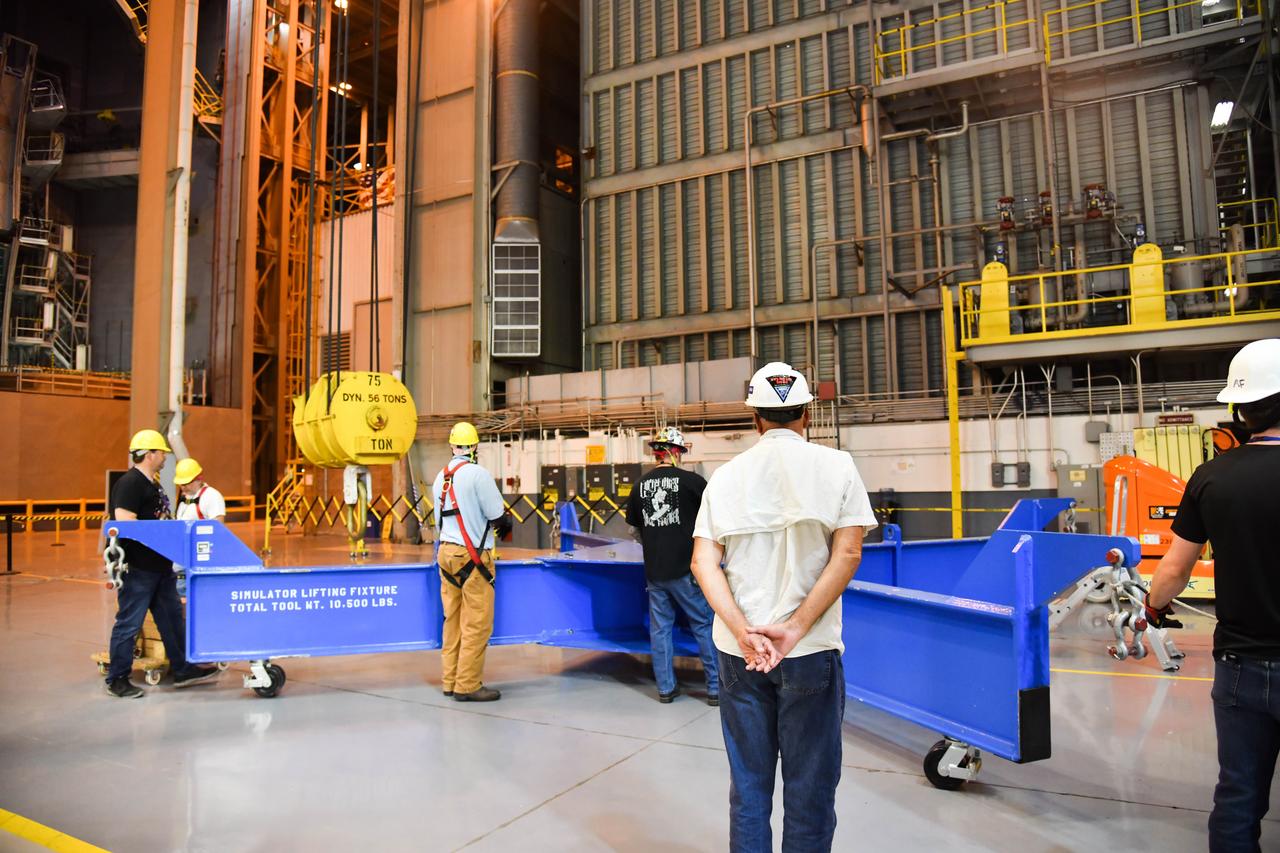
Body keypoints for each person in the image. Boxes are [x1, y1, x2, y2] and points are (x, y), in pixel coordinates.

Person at [691, 362, 876, 853]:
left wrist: (743, 630)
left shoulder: (725, 477)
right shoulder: (838, 467)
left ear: (755, 418)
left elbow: (703, 562)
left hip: (739, 654)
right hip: (810, 651)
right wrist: (793, 629)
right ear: (807, 414)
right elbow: (850, 552)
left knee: (749, 788)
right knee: (810, 791)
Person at [1146, 338, 1280, 853]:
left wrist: (1154, 607)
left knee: (1239, 796)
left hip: (1241, 664)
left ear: (1241, 410)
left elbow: (1174, 569)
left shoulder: (1211, 477)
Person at [104, 429, 219, 698]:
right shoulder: (130, 483)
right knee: (129, 624)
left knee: (171, 620)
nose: (165, 457)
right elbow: (124, 521)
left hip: (160, 568)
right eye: (162, 452)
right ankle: (117, 679)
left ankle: (183, 670)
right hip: (139, 568)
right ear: (150, 455)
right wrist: (162, 533)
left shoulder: (152, 484)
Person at [624, 427, 719, 705]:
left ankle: (666, 688)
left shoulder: (640, 485)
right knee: (703, 625)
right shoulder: (693, 482)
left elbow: (634, 531)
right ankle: (714, 689)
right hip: (687, 571)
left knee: (660, 630)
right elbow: (714, 521)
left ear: (657, 453)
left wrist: (656, 545)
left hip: (655, 571)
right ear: (676, 452)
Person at [432, 422, 512, 702]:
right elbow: (497, 514)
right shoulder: (478, 474)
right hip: (473, 556)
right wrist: (505, 522)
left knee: (452, 619)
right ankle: (468, 685)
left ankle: (450, 680)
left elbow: (438, 519)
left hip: (446, 555)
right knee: (476, 622)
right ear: (475, 447)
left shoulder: (440, 477)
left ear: (452, 446)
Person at [172, 457, 226, 597]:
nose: (183, 487)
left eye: (187, 483)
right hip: (180, 566)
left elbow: (218, 531)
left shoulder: (211, 497)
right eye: (181, 484)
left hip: (199, 568)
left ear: (199, 478)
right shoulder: (184, 500)